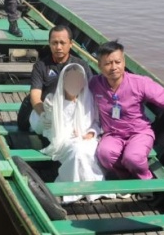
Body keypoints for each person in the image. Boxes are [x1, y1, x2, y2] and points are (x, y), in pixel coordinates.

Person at [90, 40, 164, 182]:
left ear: (124, 62)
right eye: (108, 63)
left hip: (139, 132)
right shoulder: (94, 84)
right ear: (100, 66)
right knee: (104, 155)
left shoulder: (139, 83)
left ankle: (146, 181)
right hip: (112, 134)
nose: (114, 67)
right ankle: (125, 177)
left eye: (117, 62)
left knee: (133, 158)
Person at [29, 63, 114, 203]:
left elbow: (96, 123)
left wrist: (91, 133)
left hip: (85, 136)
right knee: (77, 151)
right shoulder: (52, 101)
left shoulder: (89, 100)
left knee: (88, 151)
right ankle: (73, 190)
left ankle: (92, 188)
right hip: (63, 139)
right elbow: (50, 126)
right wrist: (69, 132)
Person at [17, 25, 92, 131]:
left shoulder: (81, 66)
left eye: (62, 43)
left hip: (68, 109)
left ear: (71, 44)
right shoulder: (41, 66)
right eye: (54, 43)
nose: (58, 47)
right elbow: (35, 96)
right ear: (49, 43)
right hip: (46, 107)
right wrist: (43, 114)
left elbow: (89, 95)